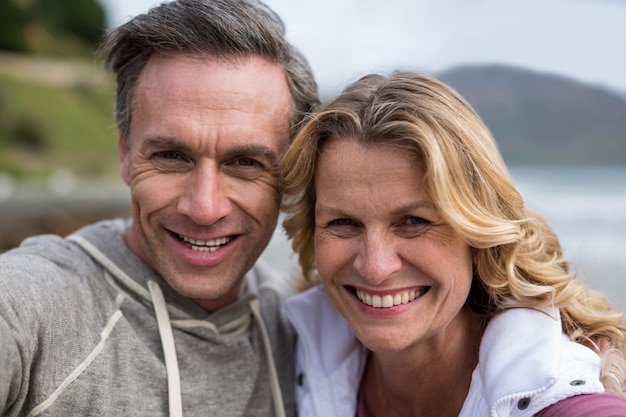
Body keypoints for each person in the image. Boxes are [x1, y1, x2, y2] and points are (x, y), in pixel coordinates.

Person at [0, 0, 319, 416]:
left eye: (245, 163)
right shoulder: (33, 305)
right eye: (171, 155)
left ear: (291, 174)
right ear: (125, 154)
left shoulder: (306, 331)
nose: (204, 208)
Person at [280, 71, 626, 416]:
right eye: (343, 222)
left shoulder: (558, 397)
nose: (375, 267)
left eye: (414, 222)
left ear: (478, 235)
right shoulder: (289, 351)